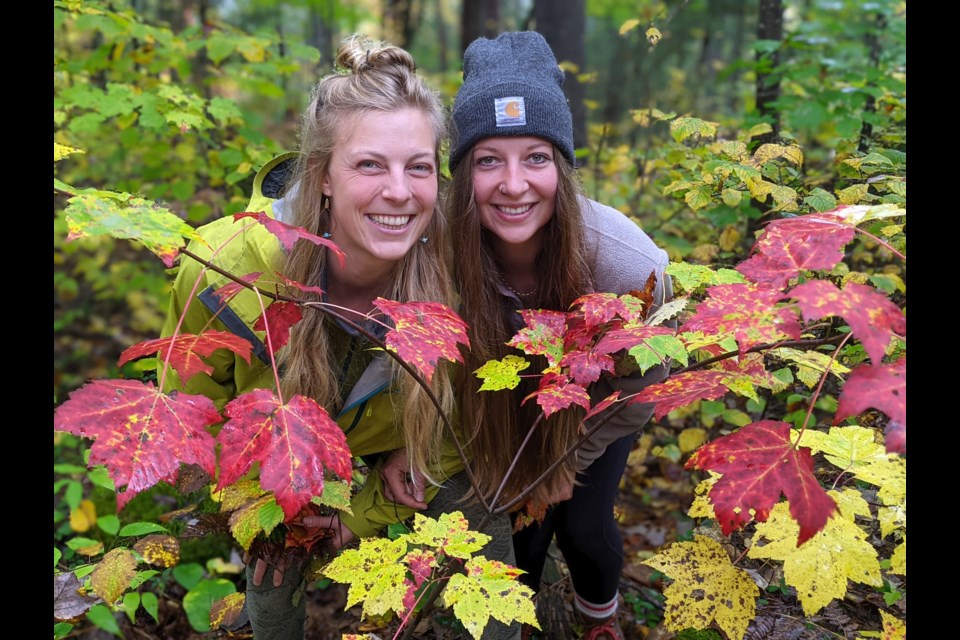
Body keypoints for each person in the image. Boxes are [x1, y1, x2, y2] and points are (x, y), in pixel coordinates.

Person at [161, 35, 516, 640]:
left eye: (419, 167)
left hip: (398, 457)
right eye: (370, 164)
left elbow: (467, 423)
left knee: (484, 517)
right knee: (271, 589)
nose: (400, 192)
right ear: (322, 176)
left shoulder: (460, 280)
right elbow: (184, 416)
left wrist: (363, 510)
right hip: (275, 472)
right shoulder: (224, 269)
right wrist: (273, 494)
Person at [445, 31, 673, 640]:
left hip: (595, 410)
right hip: (495, 408)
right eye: (489, 159)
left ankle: (598, 617)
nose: (513, 184)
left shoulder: (625, 264)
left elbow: (646, 381)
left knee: (583, 527)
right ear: (463, 171)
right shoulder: (434, 252)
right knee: (519, 533)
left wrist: (568, 457)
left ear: (562, 168)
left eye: (536, 158)